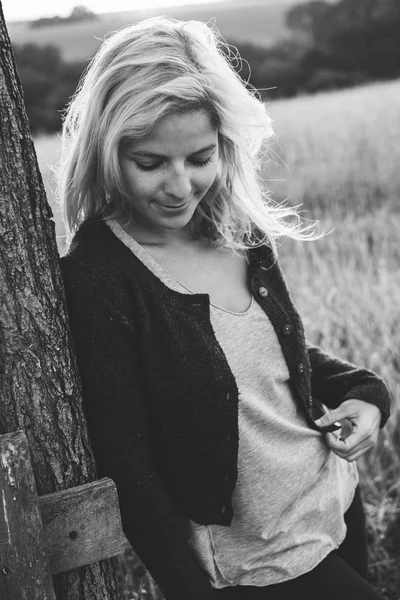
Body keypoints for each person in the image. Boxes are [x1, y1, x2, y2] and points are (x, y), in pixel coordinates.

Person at [59, 16, 391, 600]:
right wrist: (187, 586)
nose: (182, 186)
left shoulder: (236, 231)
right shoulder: (100, 277)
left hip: (333, 503)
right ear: (108, 151)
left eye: (200, 157)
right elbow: (126, 460)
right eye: (151, 162)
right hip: (254, 563)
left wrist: (365, 392)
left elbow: (269, 357)